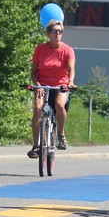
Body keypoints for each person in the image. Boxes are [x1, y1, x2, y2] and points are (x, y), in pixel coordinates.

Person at [28, 19, 76, 157]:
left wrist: (70, 81)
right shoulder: (40, 49)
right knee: (38, 109)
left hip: (61, 84)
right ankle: (36, 146)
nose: (58, 34)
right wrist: (37, 85)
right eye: (55, 31)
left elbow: (71, 68)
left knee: (60, 104)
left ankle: (61, 134)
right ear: (48, 33)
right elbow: (33, 72)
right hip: (43, 84)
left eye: (60, 31)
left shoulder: (68, 50)